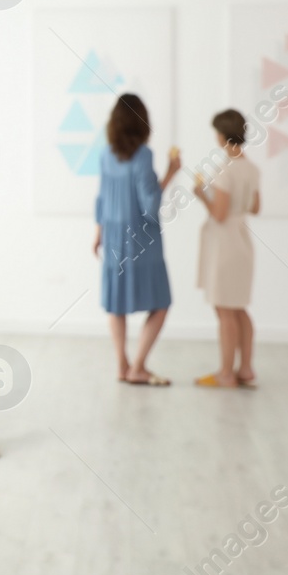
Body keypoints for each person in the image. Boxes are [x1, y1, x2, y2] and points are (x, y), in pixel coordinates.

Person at [92, 93, 180, 385]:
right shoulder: (144, 155)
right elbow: (150, 206)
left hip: (114, 236)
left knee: (116, 303)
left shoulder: (106, 154)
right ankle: (138, 366)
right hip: (142, 238)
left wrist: (98, 233)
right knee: (161, 303)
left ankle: (122, 364)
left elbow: (102, 197)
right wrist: (170, 174)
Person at [193, 108, 261, 388]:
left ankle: (225, 373)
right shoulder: (252, 168)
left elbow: (219, 214)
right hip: (242, 239)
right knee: (239, 308)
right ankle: (245, 369)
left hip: (224, 244)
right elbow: (255, 207)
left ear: (222, 135)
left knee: (224, 311)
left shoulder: (224, 169)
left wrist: (201, 195)